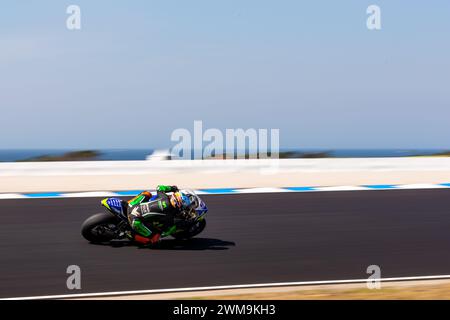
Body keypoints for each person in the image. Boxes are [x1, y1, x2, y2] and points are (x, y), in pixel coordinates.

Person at [127, 185, 194, 245]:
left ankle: (127, 204)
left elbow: (159, 188)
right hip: (135, 220)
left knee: (147, 193)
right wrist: (181, 223)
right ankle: (131, 234)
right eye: (184, 204)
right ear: (177, 204)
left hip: (132, 205)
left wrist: (172, 188)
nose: (185, 206)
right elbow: (167, 230)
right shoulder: (169, 214)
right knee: (155, 239)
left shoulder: (164, 197)